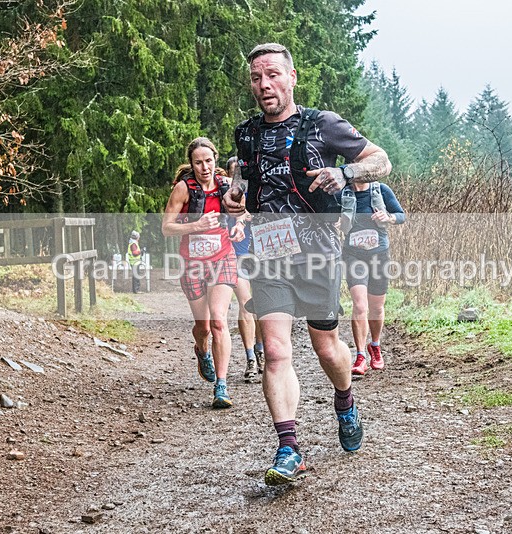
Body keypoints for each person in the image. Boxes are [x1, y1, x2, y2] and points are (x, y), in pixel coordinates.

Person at [223, 43, 392, 486]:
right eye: (257, 78)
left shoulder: (323, 124)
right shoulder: (245, 133)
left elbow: (381, 160)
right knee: (276, 349)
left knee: (326, 348)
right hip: (267, 252)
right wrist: (236, 191)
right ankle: (288, 448)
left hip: (317, 253)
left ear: (292, 77)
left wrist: (345, 174)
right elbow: (244, 174)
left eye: (273, 75)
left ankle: (345, 401)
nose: (265, 85)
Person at [162, 137, 245, 409]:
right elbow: (167, 228)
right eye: (198, 162)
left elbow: (243, 213)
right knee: (204, 326)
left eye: (208, 161)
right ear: (192, 163)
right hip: (193, 263)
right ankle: (201, 350)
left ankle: (221, 386)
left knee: (220, 321)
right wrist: (196, 225)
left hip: (223, 257)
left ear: (215, 160)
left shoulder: (225, 186)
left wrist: (239, 226)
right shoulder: (183, 189)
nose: (204, 167)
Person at [338, 181, 405, 376]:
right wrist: (333, 220)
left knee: (376, 308)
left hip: (379, 254)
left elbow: (401, 215)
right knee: (360, 305)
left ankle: (374, 346)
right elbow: (328, 213)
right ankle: (360, 356)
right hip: (353, 255)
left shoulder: (380, 190)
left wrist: (389, 217)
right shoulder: (343, 192)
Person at [226, 155, 265, 382]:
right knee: (245, 304)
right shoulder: (228, 197)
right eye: (234, 173)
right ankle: (250, 358)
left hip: (260, 254)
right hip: (236, 253)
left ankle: (260, 351)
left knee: (261, 307)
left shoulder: (262, 193)